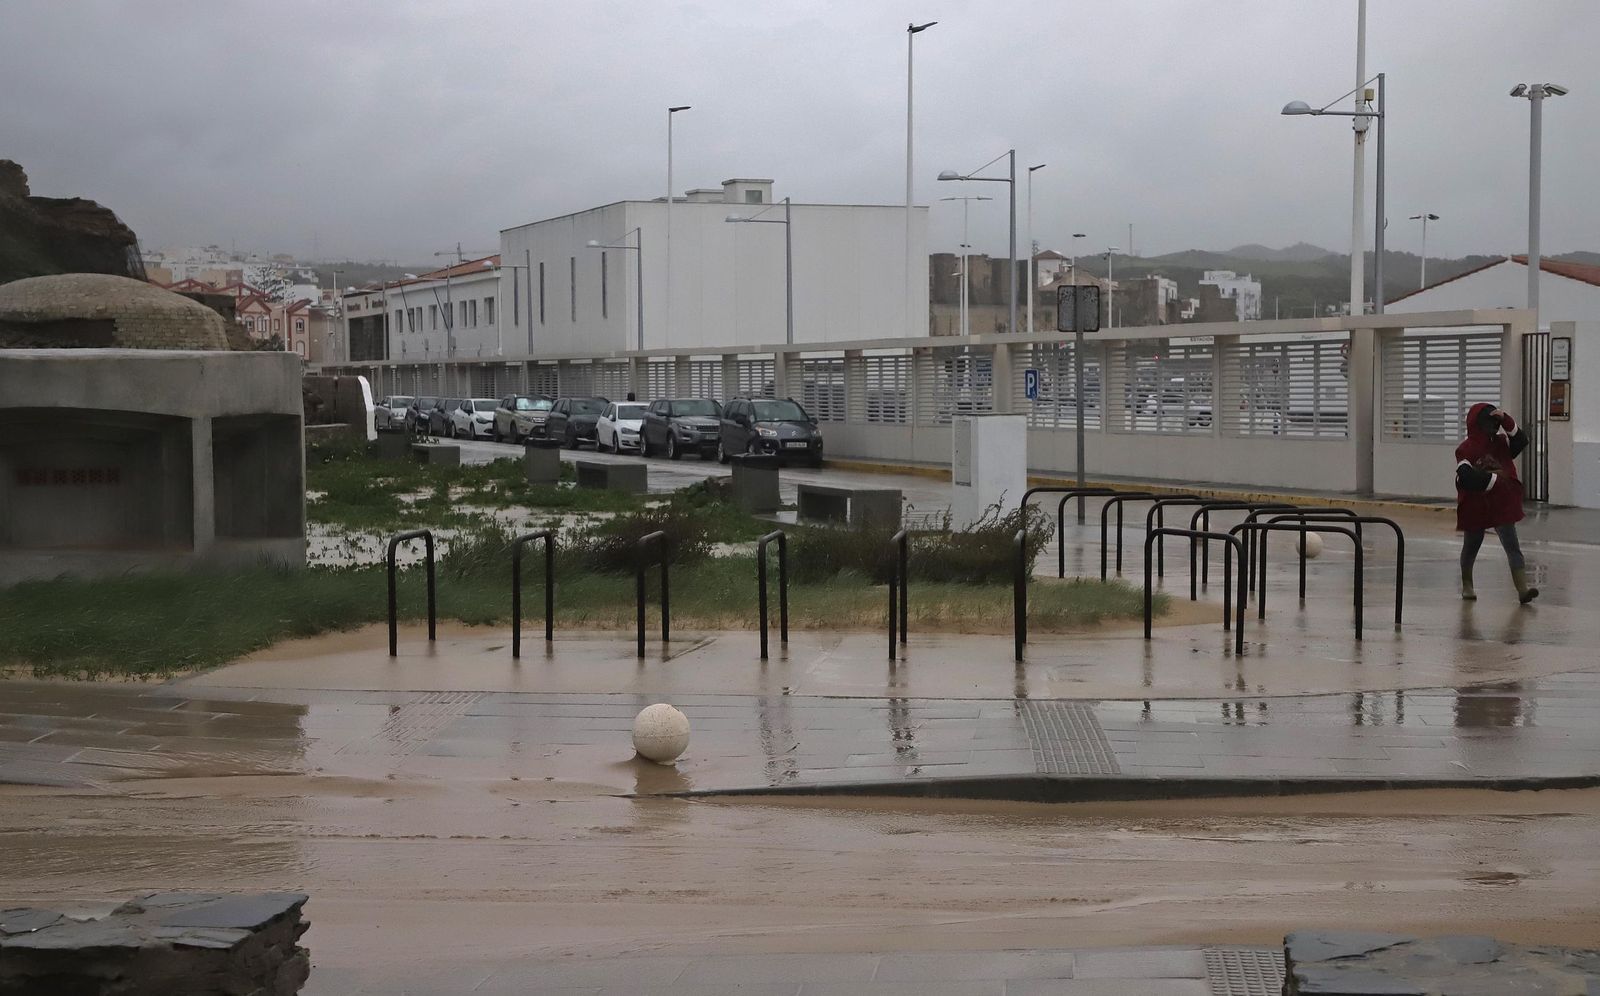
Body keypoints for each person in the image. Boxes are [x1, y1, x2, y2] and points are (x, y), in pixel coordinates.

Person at [1455, 402, 1537, 603]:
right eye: (1489, 422)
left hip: (1501, 503)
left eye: (1495, 422)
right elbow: (1465, 476)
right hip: (1477, 504)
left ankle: (1522, 589)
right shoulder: (1466, 448)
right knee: (1472, 545)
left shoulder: (1501, 443)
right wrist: (1494, 481)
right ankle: (1467, 585)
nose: (1493, 426)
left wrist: (1506, 419)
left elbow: (1521, 440)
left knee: (1512, 545)